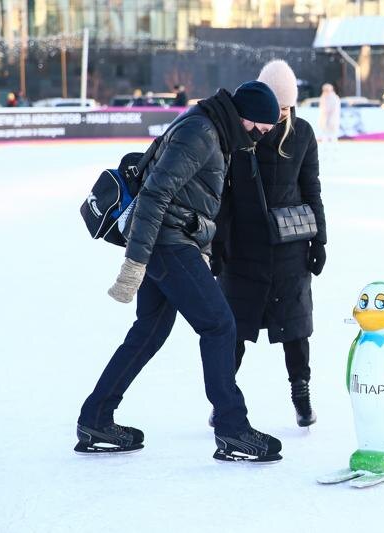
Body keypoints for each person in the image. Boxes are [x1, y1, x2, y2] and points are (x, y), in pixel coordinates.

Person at [76, 82, 286, 463]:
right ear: (247, 119)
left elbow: (192, 200)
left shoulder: (214, 130)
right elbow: (154, 195)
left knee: (149, 332)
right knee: (220, 325)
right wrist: (134, 264)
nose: (262, 138)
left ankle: (96, 418)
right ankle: (233, 429)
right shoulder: (201, 133)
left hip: (173, 242)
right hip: (166, 244)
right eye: (263, 130)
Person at [212, 60, 326, 428]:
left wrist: (319, 239)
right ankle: (224, 400)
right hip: (243, 248)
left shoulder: (303, 134)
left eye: (285, 108)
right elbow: (223, 196)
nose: (277, 116)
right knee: (235, 330)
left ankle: (301, 393)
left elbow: (312, 189)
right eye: (273, 107)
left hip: (289, 248)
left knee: (295, 328)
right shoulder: (240, 134)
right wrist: (218, 243)